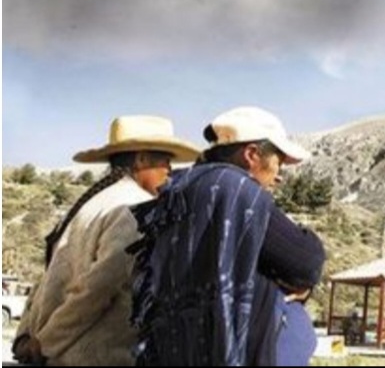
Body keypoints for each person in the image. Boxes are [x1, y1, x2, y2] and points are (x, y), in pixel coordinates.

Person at [129, 106, 327, 366]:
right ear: (252, 154)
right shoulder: (234, 189)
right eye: (279, 161)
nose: (280, 176)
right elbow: (307, 261)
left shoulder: (183, 188)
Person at [13, 116, 200, 366]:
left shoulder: (89, 203)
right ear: (141, 158)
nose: (169, 171)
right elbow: (97, 289)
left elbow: (48, 275)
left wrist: (28, 334)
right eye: (165, 161)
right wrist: (44, 343)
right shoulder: (135, 209)